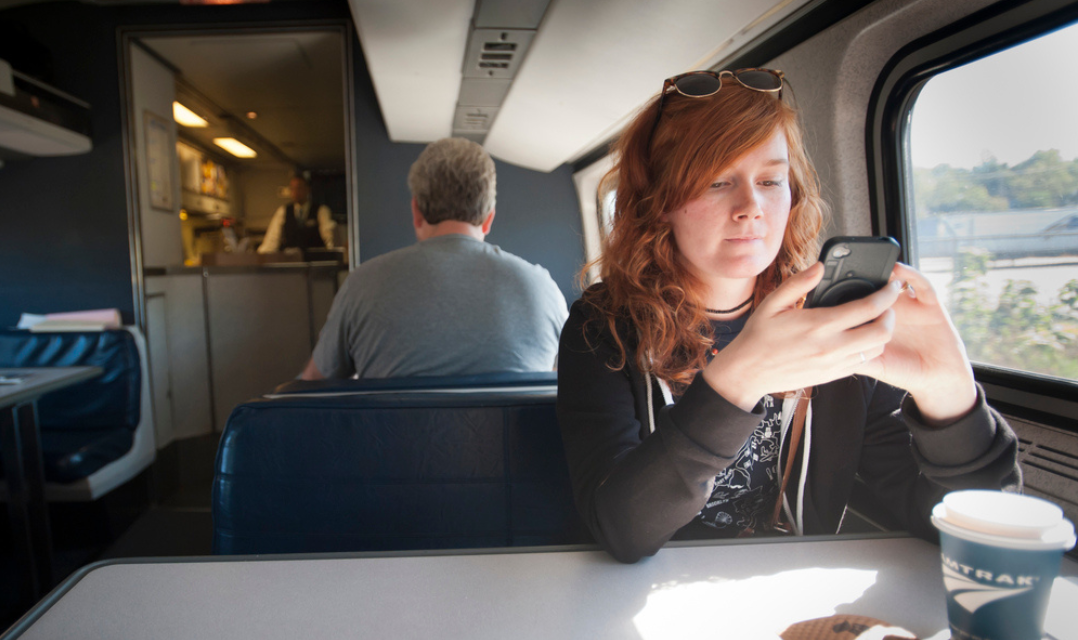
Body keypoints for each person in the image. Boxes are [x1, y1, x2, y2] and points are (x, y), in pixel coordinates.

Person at [556, 69, 1021, 563]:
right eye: (717, 180)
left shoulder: (832, 325)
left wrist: (950, 397)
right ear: (660, 201)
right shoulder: (602, 325)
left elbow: (972, 527)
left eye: (771, 180)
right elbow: (622, 529)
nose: (750, 206)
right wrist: (737, 380)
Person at [299, 137, 568, 379]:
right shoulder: (544, 290)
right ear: (489, 219)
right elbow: (574, 383)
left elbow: (309, 390)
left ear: (416, 211)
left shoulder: (361, 286)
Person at [257, 173, 335, 253]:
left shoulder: (321, 211)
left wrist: (332, 254)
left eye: (299, 188)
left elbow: (329, 237)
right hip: (290, 260)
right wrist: (261, 257)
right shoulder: (283, 211)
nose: (296, 192)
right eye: (292, 188)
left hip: (314, 259)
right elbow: (272, 239)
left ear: (307, 189)